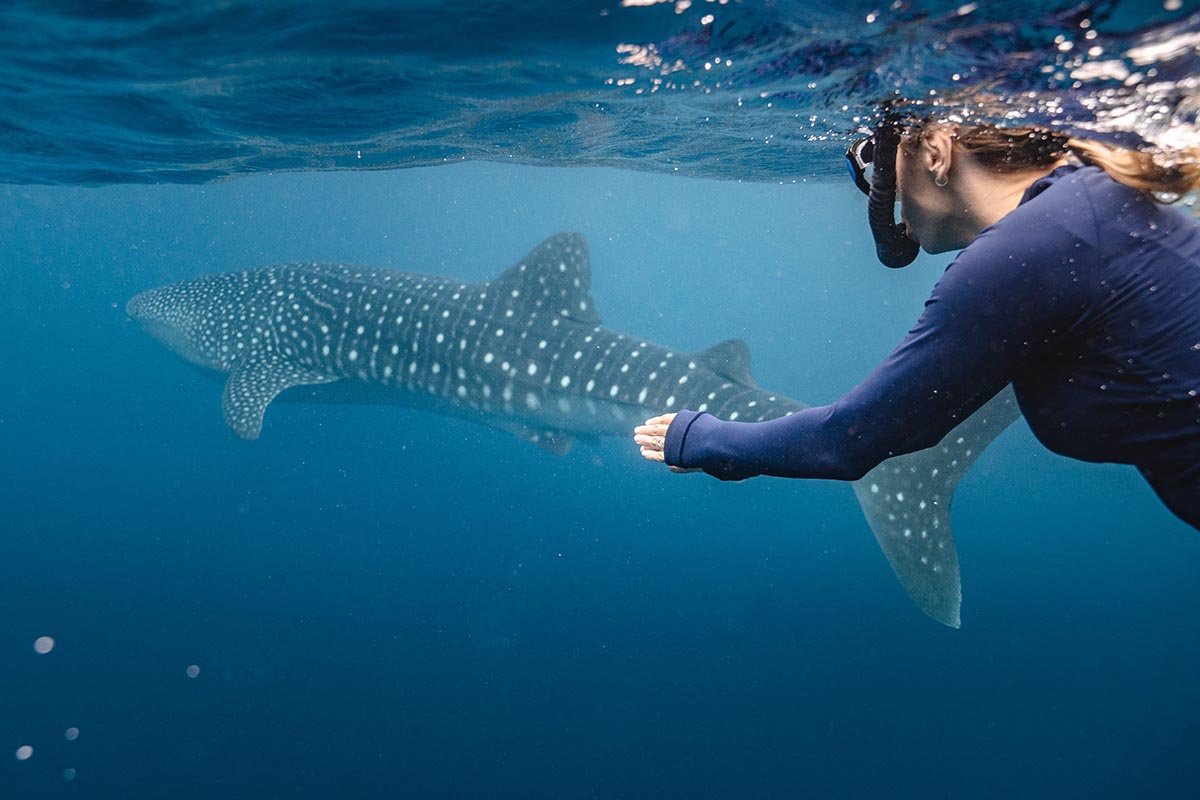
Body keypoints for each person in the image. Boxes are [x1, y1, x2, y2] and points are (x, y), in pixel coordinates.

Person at [634, 114, 1200, 529]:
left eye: (876, 162)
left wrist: (706, 439)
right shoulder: (1081, 208)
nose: (878, 189)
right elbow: (916, 424)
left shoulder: (1031, 247)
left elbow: (851, 440)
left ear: (935, 150)